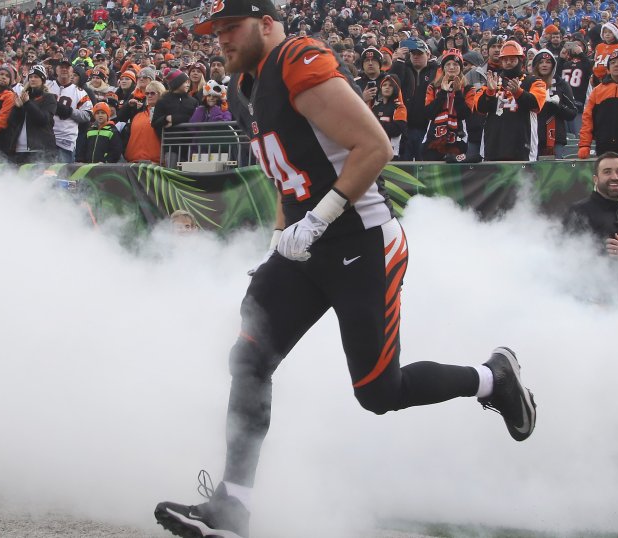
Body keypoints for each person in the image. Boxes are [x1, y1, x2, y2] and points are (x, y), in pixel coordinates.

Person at [155, 2, 538, 538]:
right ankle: (232, 507)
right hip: (309, 245)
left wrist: (316, 222)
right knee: (249, 356)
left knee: (378, 392)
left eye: (230, 27)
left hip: (361, 241)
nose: (220, 38)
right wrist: (279, 238)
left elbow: (374, 146)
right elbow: (288, 177)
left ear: (266, 23)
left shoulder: (295, 60)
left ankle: (492, 379)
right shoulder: (244, 87)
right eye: (214, 30)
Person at [565, 151, 618, 266]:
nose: (614, 177)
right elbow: (565, 257)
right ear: (596, 179)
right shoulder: (579, 211)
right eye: (607, 172)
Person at [472, 40, 547, 161]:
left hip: (522, 144)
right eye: (505, 60)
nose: (508, 63)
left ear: (520, 60)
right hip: (494, 144)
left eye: (512, 59)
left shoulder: (534, 81)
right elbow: (479, 109)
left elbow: (536, 104)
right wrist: (489, 93)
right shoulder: (493, 81)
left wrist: (519, 93)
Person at [422, 48, 470, 161]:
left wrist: (458, 92)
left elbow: (465, 114)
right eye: (448, 64)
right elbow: (429, 113)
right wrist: (442, 93)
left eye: (455, 64)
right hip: (434, 138)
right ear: (443, 68)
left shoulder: (468, 88)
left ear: (461, 68)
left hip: (458, 138)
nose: (452, 67)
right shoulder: (433, 87)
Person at [531, 49, 576, 159]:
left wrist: (557, 106)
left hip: (556, 139)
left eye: (548, 62)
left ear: (553, 65)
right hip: (532, 137)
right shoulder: (528, 82)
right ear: (535, 65)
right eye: (541, 62)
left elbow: (572, 113)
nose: (544, 65)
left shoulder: (561, 84)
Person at [9, 64, 58, 164]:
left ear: (43, 79)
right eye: (30, 77)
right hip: (19, 149)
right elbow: (12, 122)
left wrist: (28, 103)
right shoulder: (24, 96)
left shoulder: (49, 97)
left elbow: (43, 119)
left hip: (40, 149)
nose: (32, 79)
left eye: (36, 77)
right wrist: (17, 108)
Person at [48, 59, 93, 163]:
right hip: (45, 138)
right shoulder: (46, 86)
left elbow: (88, 114)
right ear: (56, 70)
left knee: (63, 175)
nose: (64, 69)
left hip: (65, 141)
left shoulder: (80, 92)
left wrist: (69, 111)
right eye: (61, 67)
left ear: (72, 71)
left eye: (67, 67)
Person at [124, 80, 164, 163]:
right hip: (133, 162)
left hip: (156, 163)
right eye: (147, 93)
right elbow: (120, 117)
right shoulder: (138, 114)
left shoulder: (165, 114)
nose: (149, 96)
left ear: (160, 94)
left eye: (152, 93)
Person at [370, 73, 407, 159]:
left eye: (391, 85)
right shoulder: (375, 107)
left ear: (396, 88)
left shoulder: (399, 107)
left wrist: (376, 124)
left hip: (392, 153)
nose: (387, 87)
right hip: (375, 153)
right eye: (384, 85)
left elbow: (397, 130)